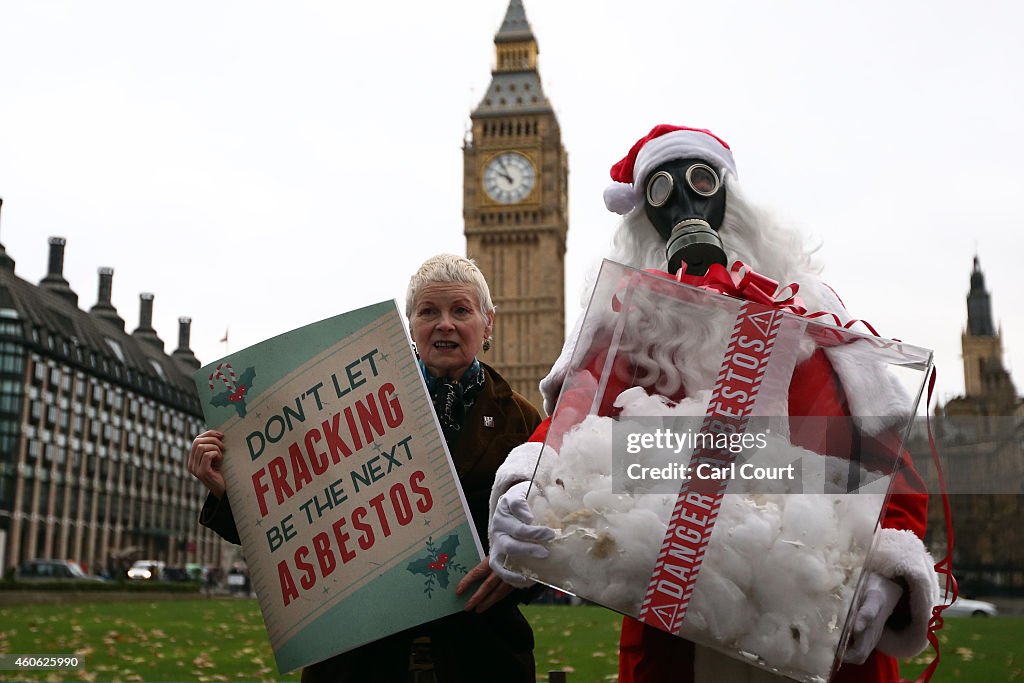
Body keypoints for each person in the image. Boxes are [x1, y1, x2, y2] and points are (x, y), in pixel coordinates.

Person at [487, 125, 940, 682]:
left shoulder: (815, 317)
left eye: (701, 182)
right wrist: (524, 487)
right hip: (675, 628)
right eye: (659, 193)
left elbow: (885, 458)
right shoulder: (628, 329)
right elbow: (570, 429)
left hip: (819, 620)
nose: (683, 205)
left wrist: (890, 567)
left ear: (731, 194)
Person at [189, 254, 544, 683]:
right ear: (409, 325)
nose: (444, 324)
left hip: (480, 656)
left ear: (487, 324)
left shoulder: (525, 422)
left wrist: (520, 565)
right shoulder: (344, 404)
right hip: (360, 661)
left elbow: (550, 543)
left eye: (461, 310)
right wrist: (233, 491)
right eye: (428, 311)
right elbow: (298, 522)